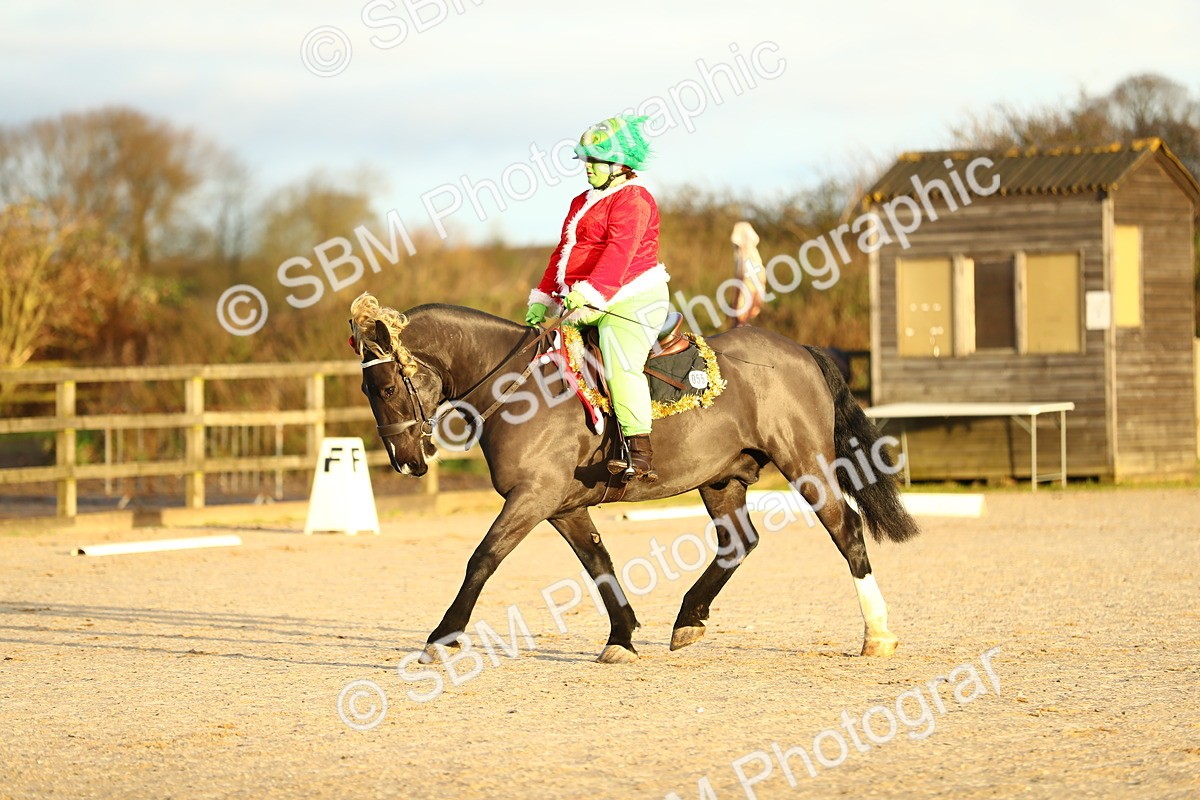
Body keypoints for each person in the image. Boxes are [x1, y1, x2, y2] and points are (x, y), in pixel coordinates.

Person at [525, 115, 669, 482]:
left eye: (595, 160)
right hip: (587, 299)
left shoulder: (634, 200)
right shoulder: (581, 200)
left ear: (620, 164)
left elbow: (619, 254)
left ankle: (640, 452)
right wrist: (544, 297)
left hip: (633, 298)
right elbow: (563, 251)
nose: (587, 167)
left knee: (618, 360)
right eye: (585, 160)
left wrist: (587, 292)